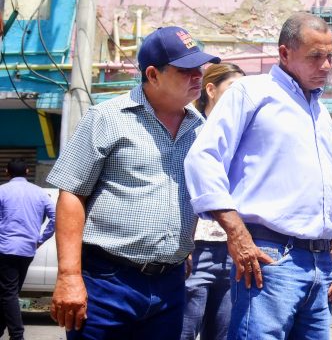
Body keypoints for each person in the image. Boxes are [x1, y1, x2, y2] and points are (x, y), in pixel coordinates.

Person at [46, 26, 220, 339]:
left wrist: (182, 247)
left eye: (200, 69)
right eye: (187, 70)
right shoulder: (107, 118)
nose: (198, 77)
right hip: (107, 280)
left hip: (170, 282)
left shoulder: (200, 128)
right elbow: (71, 193)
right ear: (153, 75)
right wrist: (69, 275)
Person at [184, 12, 332, 340]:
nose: (326, 66)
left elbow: (326, 184)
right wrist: (237, 233)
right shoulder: (250, 92)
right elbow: (203, 158)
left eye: (330, 56)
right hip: (270, 258)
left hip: (320, 265)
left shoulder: (321, 112)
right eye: (315, 56)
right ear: (285, 54)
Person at [182, 63, 246, 340]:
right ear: (210, 90)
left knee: (223, 334)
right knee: (182, 331)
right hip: (195, 250)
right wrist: (183, 243)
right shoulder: (190, 132)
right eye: (233, 89)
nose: (240, 97)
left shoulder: (244, 137)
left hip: (233, 252)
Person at [0, 159, 55, 340]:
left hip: (5, 249)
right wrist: (40, 239)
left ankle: (17, 336)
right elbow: (56, 218)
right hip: (27, 251)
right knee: (9, 292)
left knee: (8, 293)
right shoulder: (40, 193)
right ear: (28, 171)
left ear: (7, 172)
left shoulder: (2, 191)